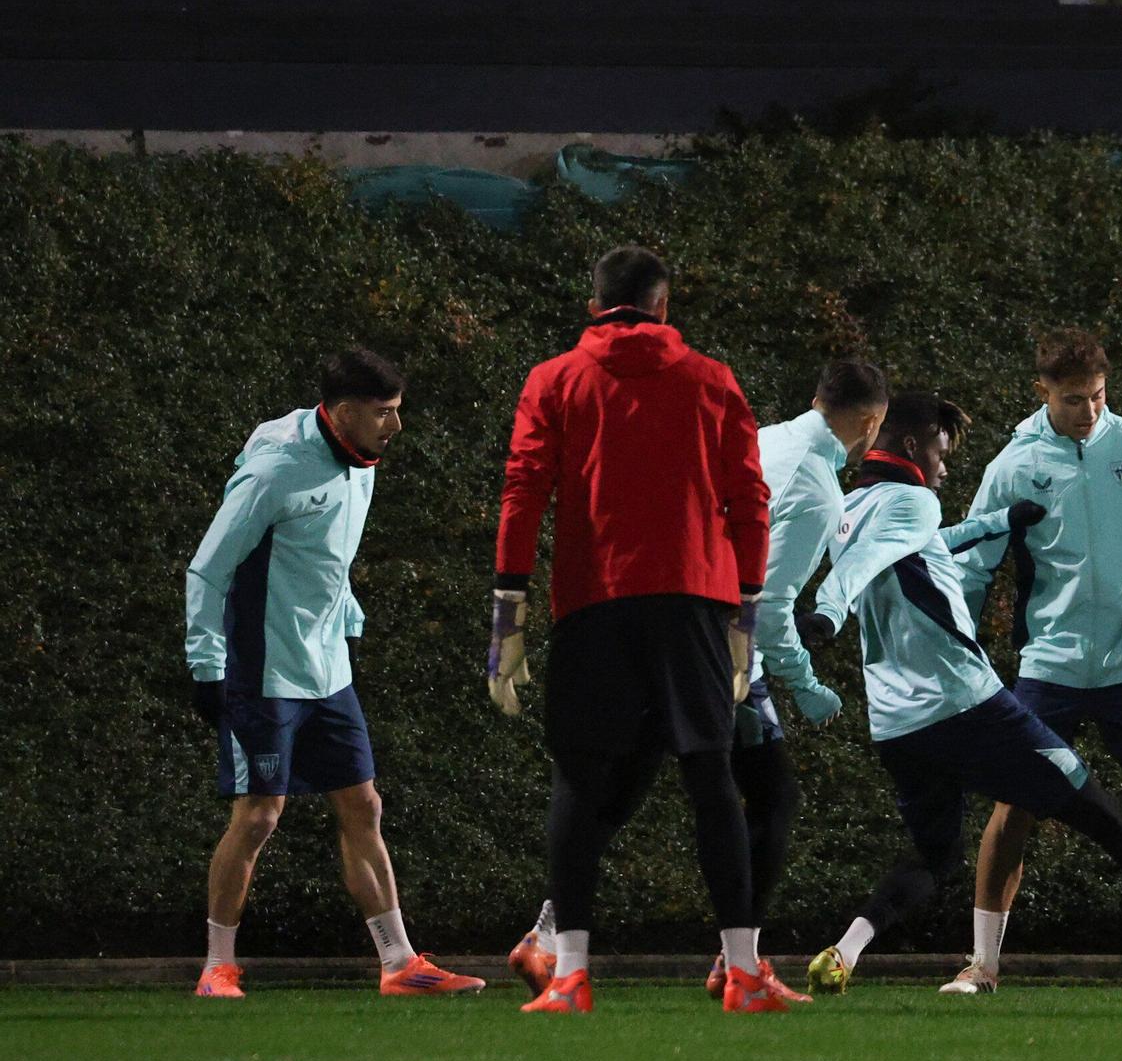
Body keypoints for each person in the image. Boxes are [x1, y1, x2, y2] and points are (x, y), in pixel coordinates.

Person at [791, 393, 1122, 995]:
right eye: (941, 453)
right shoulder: (913, 499)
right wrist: (827, 614)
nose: (946, 467)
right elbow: (858, 569)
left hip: (896, 722)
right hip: (967, 705)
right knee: (1107, 818)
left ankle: (844, 950)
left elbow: (921, 545)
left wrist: (1001, 522)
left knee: (935, 857)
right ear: (912, 447)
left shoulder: (852, 504)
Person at [489, 245, 777, 1015]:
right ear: (663, 305)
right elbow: (750, 499)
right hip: (696, 598)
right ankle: (744, 971)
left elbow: (524, 491)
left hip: (594, 599)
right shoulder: (711, 378)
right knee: (711, 779)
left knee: (581, 781)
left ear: (595, 305)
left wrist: (506, 616)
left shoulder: (554, 379)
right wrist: (745, 614)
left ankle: (572, 973)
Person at [944, 329, 1122, 995]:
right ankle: (982, 965)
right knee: (1015, 806)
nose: (1090, 411)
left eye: (1099, 396)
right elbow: (970, 563)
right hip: (1050, 664)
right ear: (1042, 391)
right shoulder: (1012, 467)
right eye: (1074, 399)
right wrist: (956, 647)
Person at [186, 349, 483, 999]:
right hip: (262, 671)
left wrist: (348, 618)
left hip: (329, 672)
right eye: (384, 413)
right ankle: (217, 967)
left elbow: (330, 555)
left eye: (397, 411)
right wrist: (207, 666)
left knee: (363, 803)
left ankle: (400, 961)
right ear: (344, 410)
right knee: (260, 815)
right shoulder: (275, 472)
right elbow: (208, 567)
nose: (394, 427)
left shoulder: (360, 462)